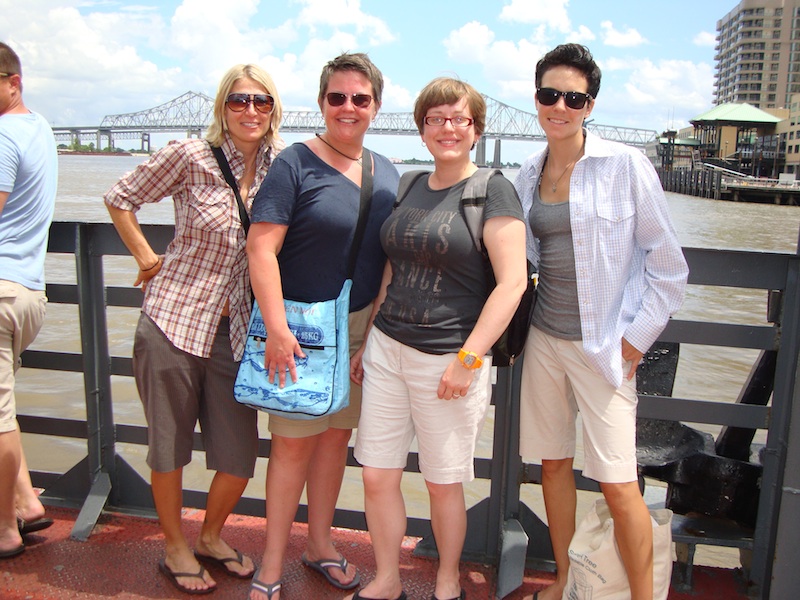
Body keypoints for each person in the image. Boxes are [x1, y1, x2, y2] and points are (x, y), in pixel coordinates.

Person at [514, 44, 689, 600]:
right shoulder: (527, 172)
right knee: (553, 466)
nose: (559, 107)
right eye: (549, 95)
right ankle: (566, 582)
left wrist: (636, 340)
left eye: (574, 98)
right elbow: (517, 258)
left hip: (606, 346)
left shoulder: (626, 165)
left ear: (590, 105)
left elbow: (670, 268)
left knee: (618, 482)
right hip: (544, 340)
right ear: (536, 99)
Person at [104, 64, 284, 595]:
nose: (250, 110)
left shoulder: (284, 167)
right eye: (239, 100)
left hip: (238, 331)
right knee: (169, 446)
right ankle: (174, 546)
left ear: (274, 109)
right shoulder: (189, 155)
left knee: (239, 456)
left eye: (262, 101)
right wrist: (145, 256)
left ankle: (209, 536)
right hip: (172, 320)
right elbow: (120, 196)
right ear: (222, 107)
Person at [350, 77, 528, 600]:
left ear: (476, 129)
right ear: (422, 129)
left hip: (449, 357)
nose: (447, 128)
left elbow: (513, 283)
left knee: (442, 482)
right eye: (435, 119)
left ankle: (447, 582)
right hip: (388, 348)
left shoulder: (493, 190)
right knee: (377, 474)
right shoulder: (408, 185)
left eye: (458, 119)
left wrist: (468, 360)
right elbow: (392, 268)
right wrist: (369, 339)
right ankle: (387, 579)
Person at [245, 52, 398, 600]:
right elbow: (261, 249)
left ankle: (319, 544)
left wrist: (374, 331)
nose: (348, 107)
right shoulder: (294, 163)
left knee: (335, 441)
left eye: (360, 98)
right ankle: (270, 564)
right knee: (291, 448)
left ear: (376, 106)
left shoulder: (387, 172)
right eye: (337, 97)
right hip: (299, 331)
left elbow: (387, 260)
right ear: (321, 102)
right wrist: (276, 328)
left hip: (357, 330)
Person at [0, 41, 58, 561]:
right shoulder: (40, 128)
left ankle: (4, 530)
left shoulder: (1, 136)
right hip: (29, 293)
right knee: (4, 409)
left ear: (13, 82)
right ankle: (27, 504)